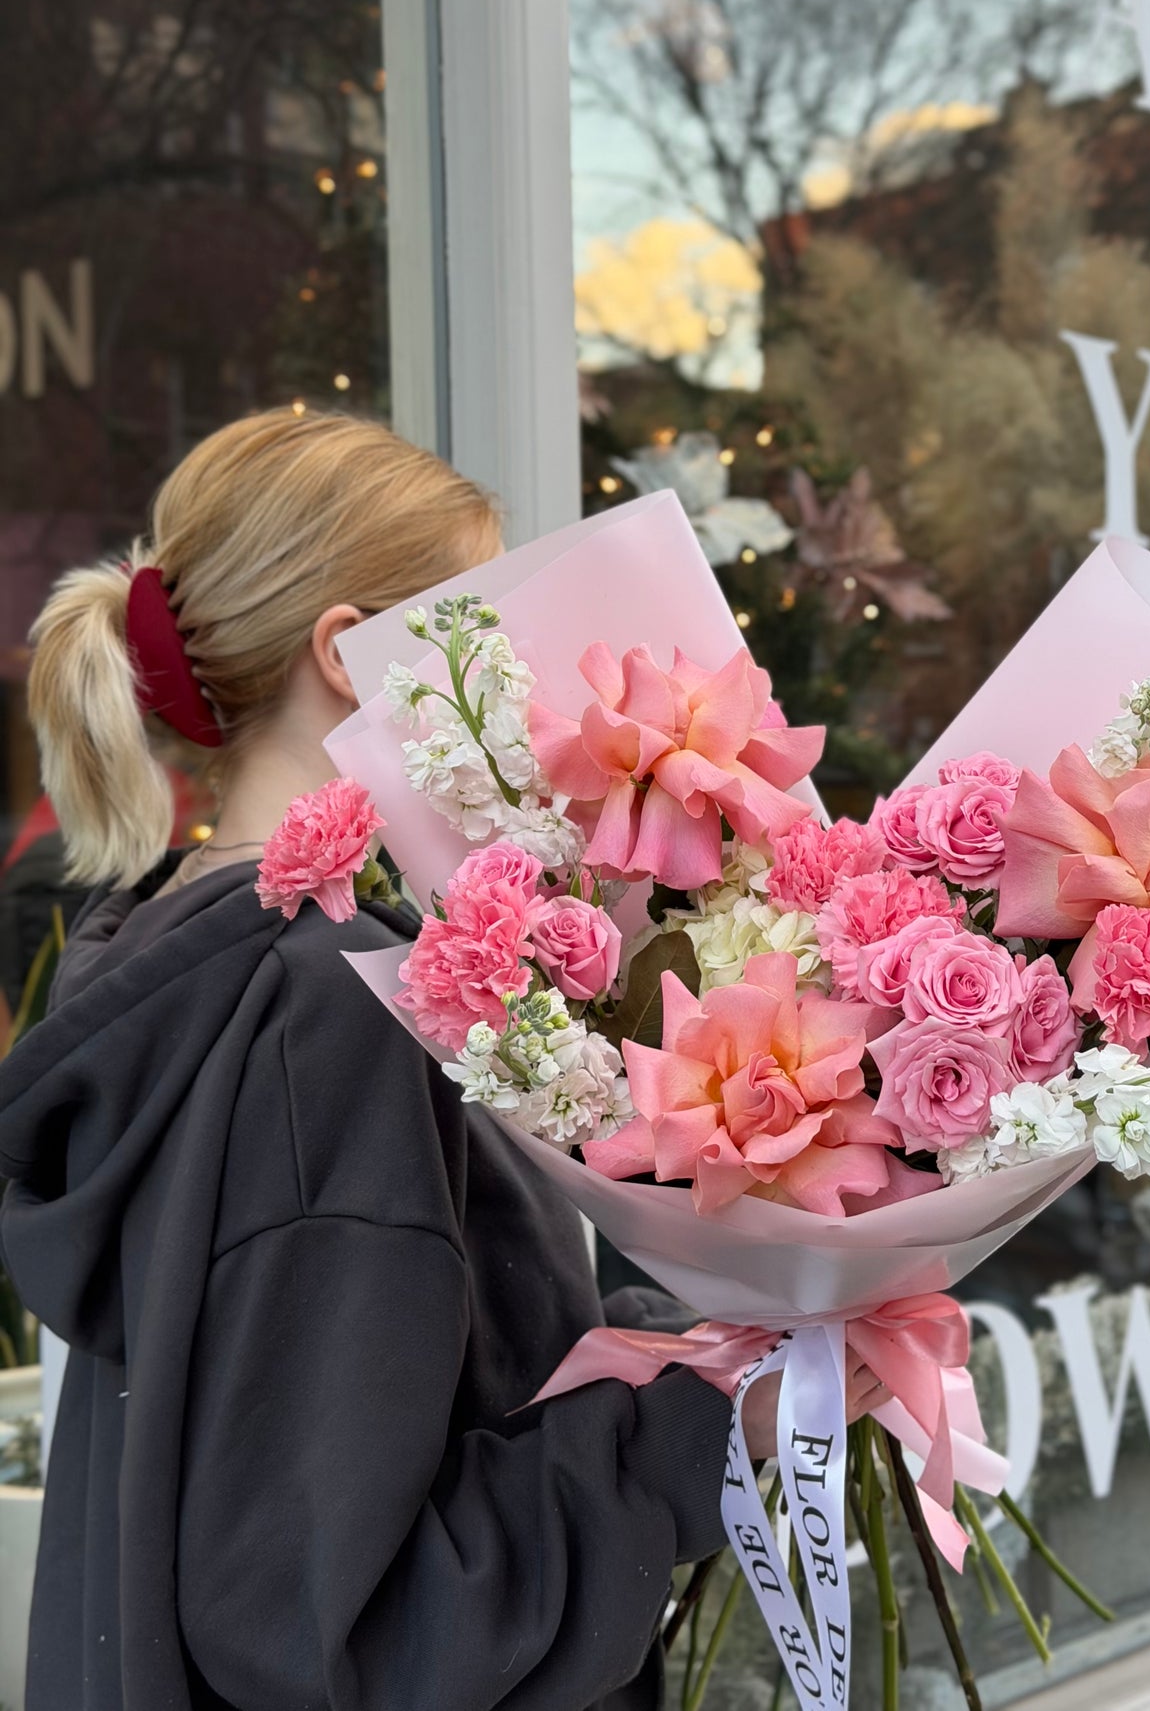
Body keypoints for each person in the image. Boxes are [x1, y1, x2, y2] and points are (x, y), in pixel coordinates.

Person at [0, 408, 887, 1711]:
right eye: (484, 624)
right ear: (352, 657)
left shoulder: (188, 959)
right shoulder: (323, 1007)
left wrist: (690, 1347)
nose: (525, 685)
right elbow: (330, 1620)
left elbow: (368, 1394)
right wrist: (695, 1435)